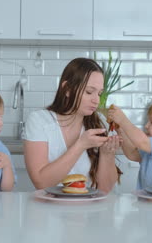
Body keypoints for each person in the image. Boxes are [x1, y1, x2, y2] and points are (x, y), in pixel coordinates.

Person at [23, 58, 122, 194]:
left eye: (99, 93)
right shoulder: (39, 120)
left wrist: (107, 154)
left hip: (88, 212)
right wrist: (81, 145)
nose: (96, 100)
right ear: (67, 89)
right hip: (49, 211)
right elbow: (41, 183)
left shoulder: (99, 124)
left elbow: (104, 189)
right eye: (89, 92)